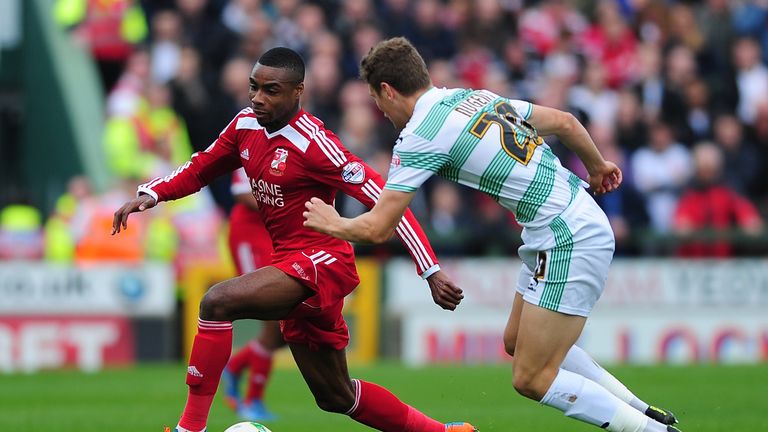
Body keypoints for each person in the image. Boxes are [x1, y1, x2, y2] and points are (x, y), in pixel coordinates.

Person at [303, 37, 682, 432]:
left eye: (376, 101)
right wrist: (598, 166)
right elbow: (566, 123)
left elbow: (379, 226)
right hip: (563, 222)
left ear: (387, 90)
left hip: (566, 234)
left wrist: (334, 223)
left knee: (531, 378)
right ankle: (644, 413)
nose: (379, 111)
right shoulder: (474, 97)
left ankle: (651, 431)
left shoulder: (421, 134)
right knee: (516, 341)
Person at [112, 47, 477, 432]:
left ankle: (190, 428)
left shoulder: (316, 143)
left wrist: (431, 270)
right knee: (336, 396)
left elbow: (384, 199)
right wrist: (152, 193)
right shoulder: (244, 126)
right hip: (288, 260)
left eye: (271, 90)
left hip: (323, 261)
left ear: (297, 91)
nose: (257, 97)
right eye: (254, 87)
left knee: (216, 302)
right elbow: (202, 166)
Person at [222, 167, 284, 421]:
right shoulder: (252, 143)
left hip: (276, 236)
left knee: (286, 328)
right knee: (274, 317)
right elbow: (242, 193)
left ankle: (235, 366)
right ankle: (253, 399)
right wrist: (287, 204)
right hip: (250, 236)